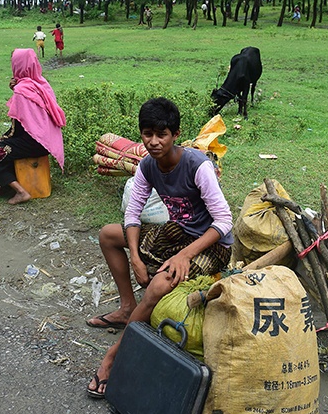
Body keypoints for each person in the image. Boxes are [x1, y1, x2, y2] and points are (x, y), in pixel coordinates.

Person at [85, 97, 234, 398]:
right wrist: (136, 258)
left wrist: (184, 255)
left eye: (161, 134)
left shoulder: (197, 165)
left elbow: (224, 221)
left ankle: (113, 356)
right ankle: (128, 308)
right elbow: (132, 213)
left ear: (175, 135)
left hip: (211, 244)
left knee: (158, 285)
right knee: (108, 235)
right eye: (147, 134)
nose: (153, 142)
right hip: (177, 234)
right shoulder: (148, 167)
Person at [0, 49, 66, 205]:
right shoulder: (40, 83)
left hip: (34, 143)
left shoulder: (22, 90)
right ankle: (17, 184)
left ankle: (21, 192)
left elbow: (19, 126)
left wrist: (3, 139)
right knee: (3, 148)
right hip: (46, 142)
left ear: (17, 66)